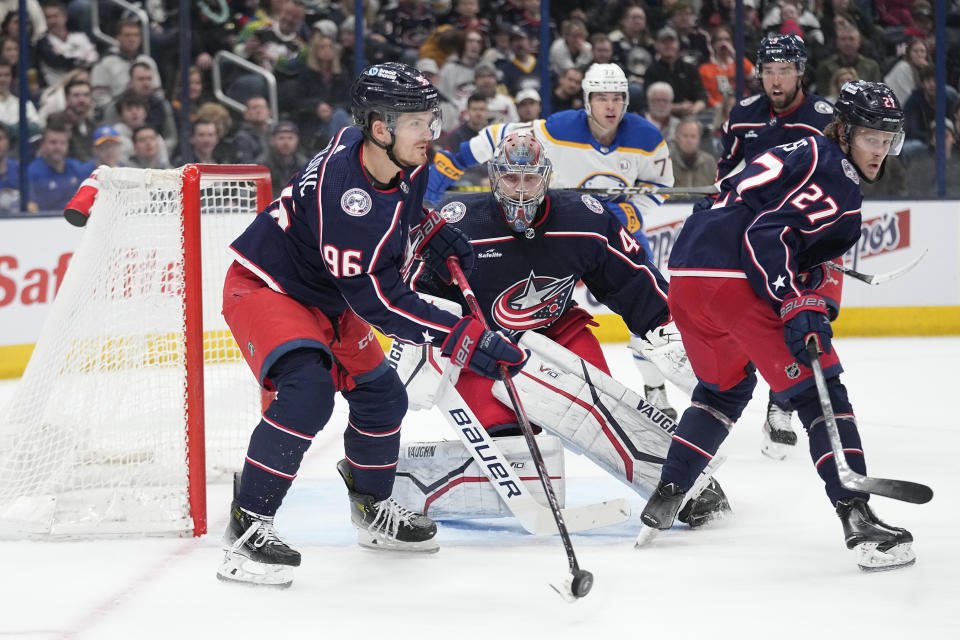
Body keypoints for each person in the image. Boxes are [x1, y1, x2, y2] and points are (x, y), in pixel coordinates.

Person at [216, 62, 526, 588]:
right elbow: (381, 303)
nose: (430, 132)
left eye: (431, 117)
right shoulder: (347, 199)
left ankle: (372, 508)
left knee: (383, 398)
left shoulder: (396, 156)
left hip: (328, 294)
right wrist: (460, 337)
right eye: (417, 122)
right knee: (308, 392)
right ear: (380, 129)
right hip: (268, 286)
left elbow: (400, 213)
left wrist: (426, 230)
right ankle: (247, 529)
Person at [638, 80, 917, 572]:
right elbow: (766, 234)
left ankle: (671, 489)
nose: (880, 150)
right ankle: (859, 519)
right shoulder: (840, 184)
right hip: (734, 278)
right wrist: (794, 301)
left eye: (887, 139)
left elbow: (736, 203)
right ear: (846, 131)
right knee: (820, 394)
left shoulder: (802, 147)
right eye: (871, 137)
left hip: (686, 274)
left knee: (721, 391)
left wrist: (800, 278)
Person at [399, 129, 728, 525]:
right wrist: (433, 346)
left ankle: (687, 484)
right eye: (511, 178)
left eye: (531, 178)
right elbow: (414, 298)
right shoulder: (458, 223)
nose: (521, 190)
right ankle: (402, 479)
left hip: (558, 334)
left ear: (547, 176)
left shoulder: (584, 218)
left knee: (599, 410)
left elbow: (630, 277)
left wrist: (664, 323)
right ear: (493, 177)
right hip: (483, 350)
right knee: (517, 456)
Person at [424, 62, 681, 419]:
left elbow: (661, 185)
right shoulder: (559, 128)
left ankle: (655, 387)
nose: (610, 106)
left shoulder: (647, 137)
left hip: (611, 225)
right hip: (560, 220)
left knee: (642, 301)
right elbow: (502, 138)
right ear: (587, 100)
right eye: (602, 98)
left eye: (618, 98)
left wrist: (634, 211)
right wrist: (455, 161)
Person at [709, 35, 838, 458]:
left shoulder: (822, 116)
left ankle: (780, 405)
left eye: (784, 71)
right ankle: (768, 394)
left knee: (804, 316)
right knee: (757, 319)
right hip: (757, 235)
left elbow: (836, 176)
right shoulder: (744, 114)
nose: (776, 79)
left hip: (803, 233)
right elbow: (727, 167)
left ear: (800, 72)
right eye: (768, 71)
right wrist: (723, 194)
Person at [27, 122, 93, 211]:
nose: (58, 147)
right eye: (53, 142)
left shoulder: (77, 168)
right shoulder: (31, 172)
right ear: (42, 144)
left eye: (62, 143)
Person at [261, 120, 306, 197]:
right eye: (281, 138)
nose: (286, 143)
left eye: (290, 138)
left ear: (297, 140)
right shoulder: (263, 165)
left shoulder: (305, 165)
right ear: (272, 140)